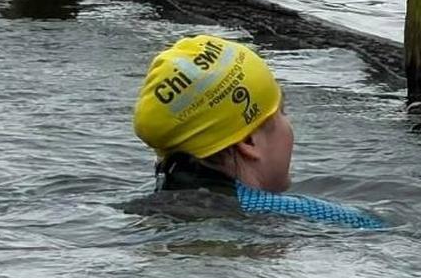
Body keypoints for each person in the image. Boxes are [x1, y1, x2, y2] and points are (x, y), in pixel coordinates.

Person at [133, 33, 386, 230]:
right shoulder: (327, 218)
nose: (289, 123)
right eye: (282, 112)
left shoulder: (144, 208)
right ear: (249, 141)